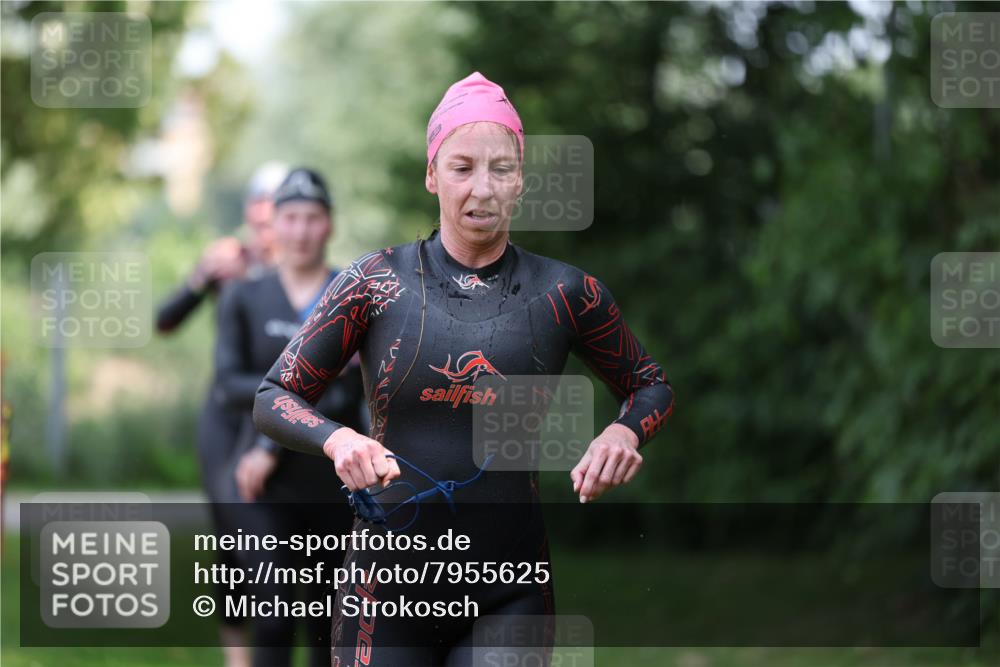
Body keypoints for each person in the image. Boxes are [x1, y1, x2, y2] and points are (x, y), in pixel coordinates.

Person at [252, 72, 675, 666]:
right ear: (432, 174)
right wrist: (337, 438)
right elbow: (275, 394)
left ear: (521, 180)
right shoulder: (376, 283)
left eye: (502, 168)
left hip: (511, 591)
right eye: (462, 167)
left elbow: (650, 386)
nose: (484, 187)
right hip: (386, 591)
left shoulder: (564, 293)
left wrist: (624, 431)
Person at [214, 168, 365, 667]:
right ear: (272, 225)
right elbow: (229, 384)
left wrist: (273, 426)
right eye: (291, 218)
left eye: (313, 218)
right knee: (274, 613)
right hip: (260, 487)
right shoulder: (244, 295)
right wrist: (309, 378)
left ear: (330, 225)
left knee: (328, 627)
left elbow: (352, 393)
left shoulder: (350, 296)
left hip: (333, 483)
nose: (301, 231)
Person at [156, 161, 287, 667]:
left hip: (280, 420)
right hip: (226, 421)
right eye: (258, 205)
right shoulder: (230, 263)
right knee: (234, 542)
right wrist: (202, 275)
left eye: (275, 208)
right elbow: (165, 322)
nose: (264, 218)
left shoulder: (306, 270)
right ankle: (239, 659)